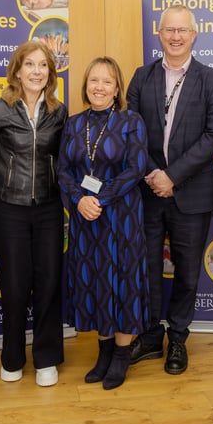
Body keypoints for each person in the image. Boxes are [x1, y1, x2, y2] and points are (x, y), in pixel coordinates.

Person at [127, 5, 213, 375]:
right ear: (159, 33)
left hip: (192, 193)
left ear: (194, 34)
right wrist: (155, 174)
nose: (175, 36)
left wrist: (173, 176)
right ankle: (152, 336)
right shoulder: (142, 76)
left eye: (182, 30)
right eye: (169, 29)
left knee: (187, 272)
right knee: (148, 267)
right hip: (148, 192)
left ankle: (179, 339)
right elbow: (131, 132)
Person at [58, 56, 148, 390]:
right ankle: (104, 350)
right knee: (96, 282)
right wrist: (80, 200)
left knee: (122, 281)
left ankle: (122, 355)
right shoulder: (73, 123)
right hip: (85, 218)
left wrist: (101, 198)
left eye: (107, 81)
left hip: (121, 218)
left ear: (117, 88)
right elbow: (63, 169)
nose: (99, 87)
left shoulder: (131, 121)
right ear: (85, 86)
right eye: (94, 80)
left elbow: (135, 168)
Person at [0, 40, 67, 387]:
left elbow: (64, 158)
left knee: (48, 282)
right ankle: (12, 357)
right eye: (29, 65)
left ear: (50, 72)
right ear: (17, 70)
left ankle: (47, 357)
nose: (36, 71)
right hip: (10, 209)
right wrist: (7, 188)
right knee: (14, 286)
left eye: (43, 65)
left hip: (48, 208)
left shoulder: (59, 111)